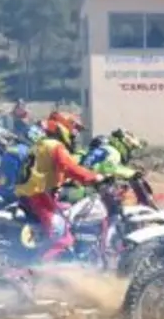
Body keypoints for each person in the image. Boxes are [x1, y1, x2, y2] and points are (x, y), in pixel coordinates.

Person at [13, 112, 102, 263]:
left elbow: (49, 170)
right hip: (39, 196)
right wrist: (94, 177)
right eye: (74, 129)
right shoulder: (55, 146)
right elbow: (69, 167)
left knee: (65, 214)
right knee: (61, 236)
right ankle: (37, 271)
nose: (75, 135)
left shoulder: (41, 144)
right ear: (64, 126)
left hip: (28, 195)